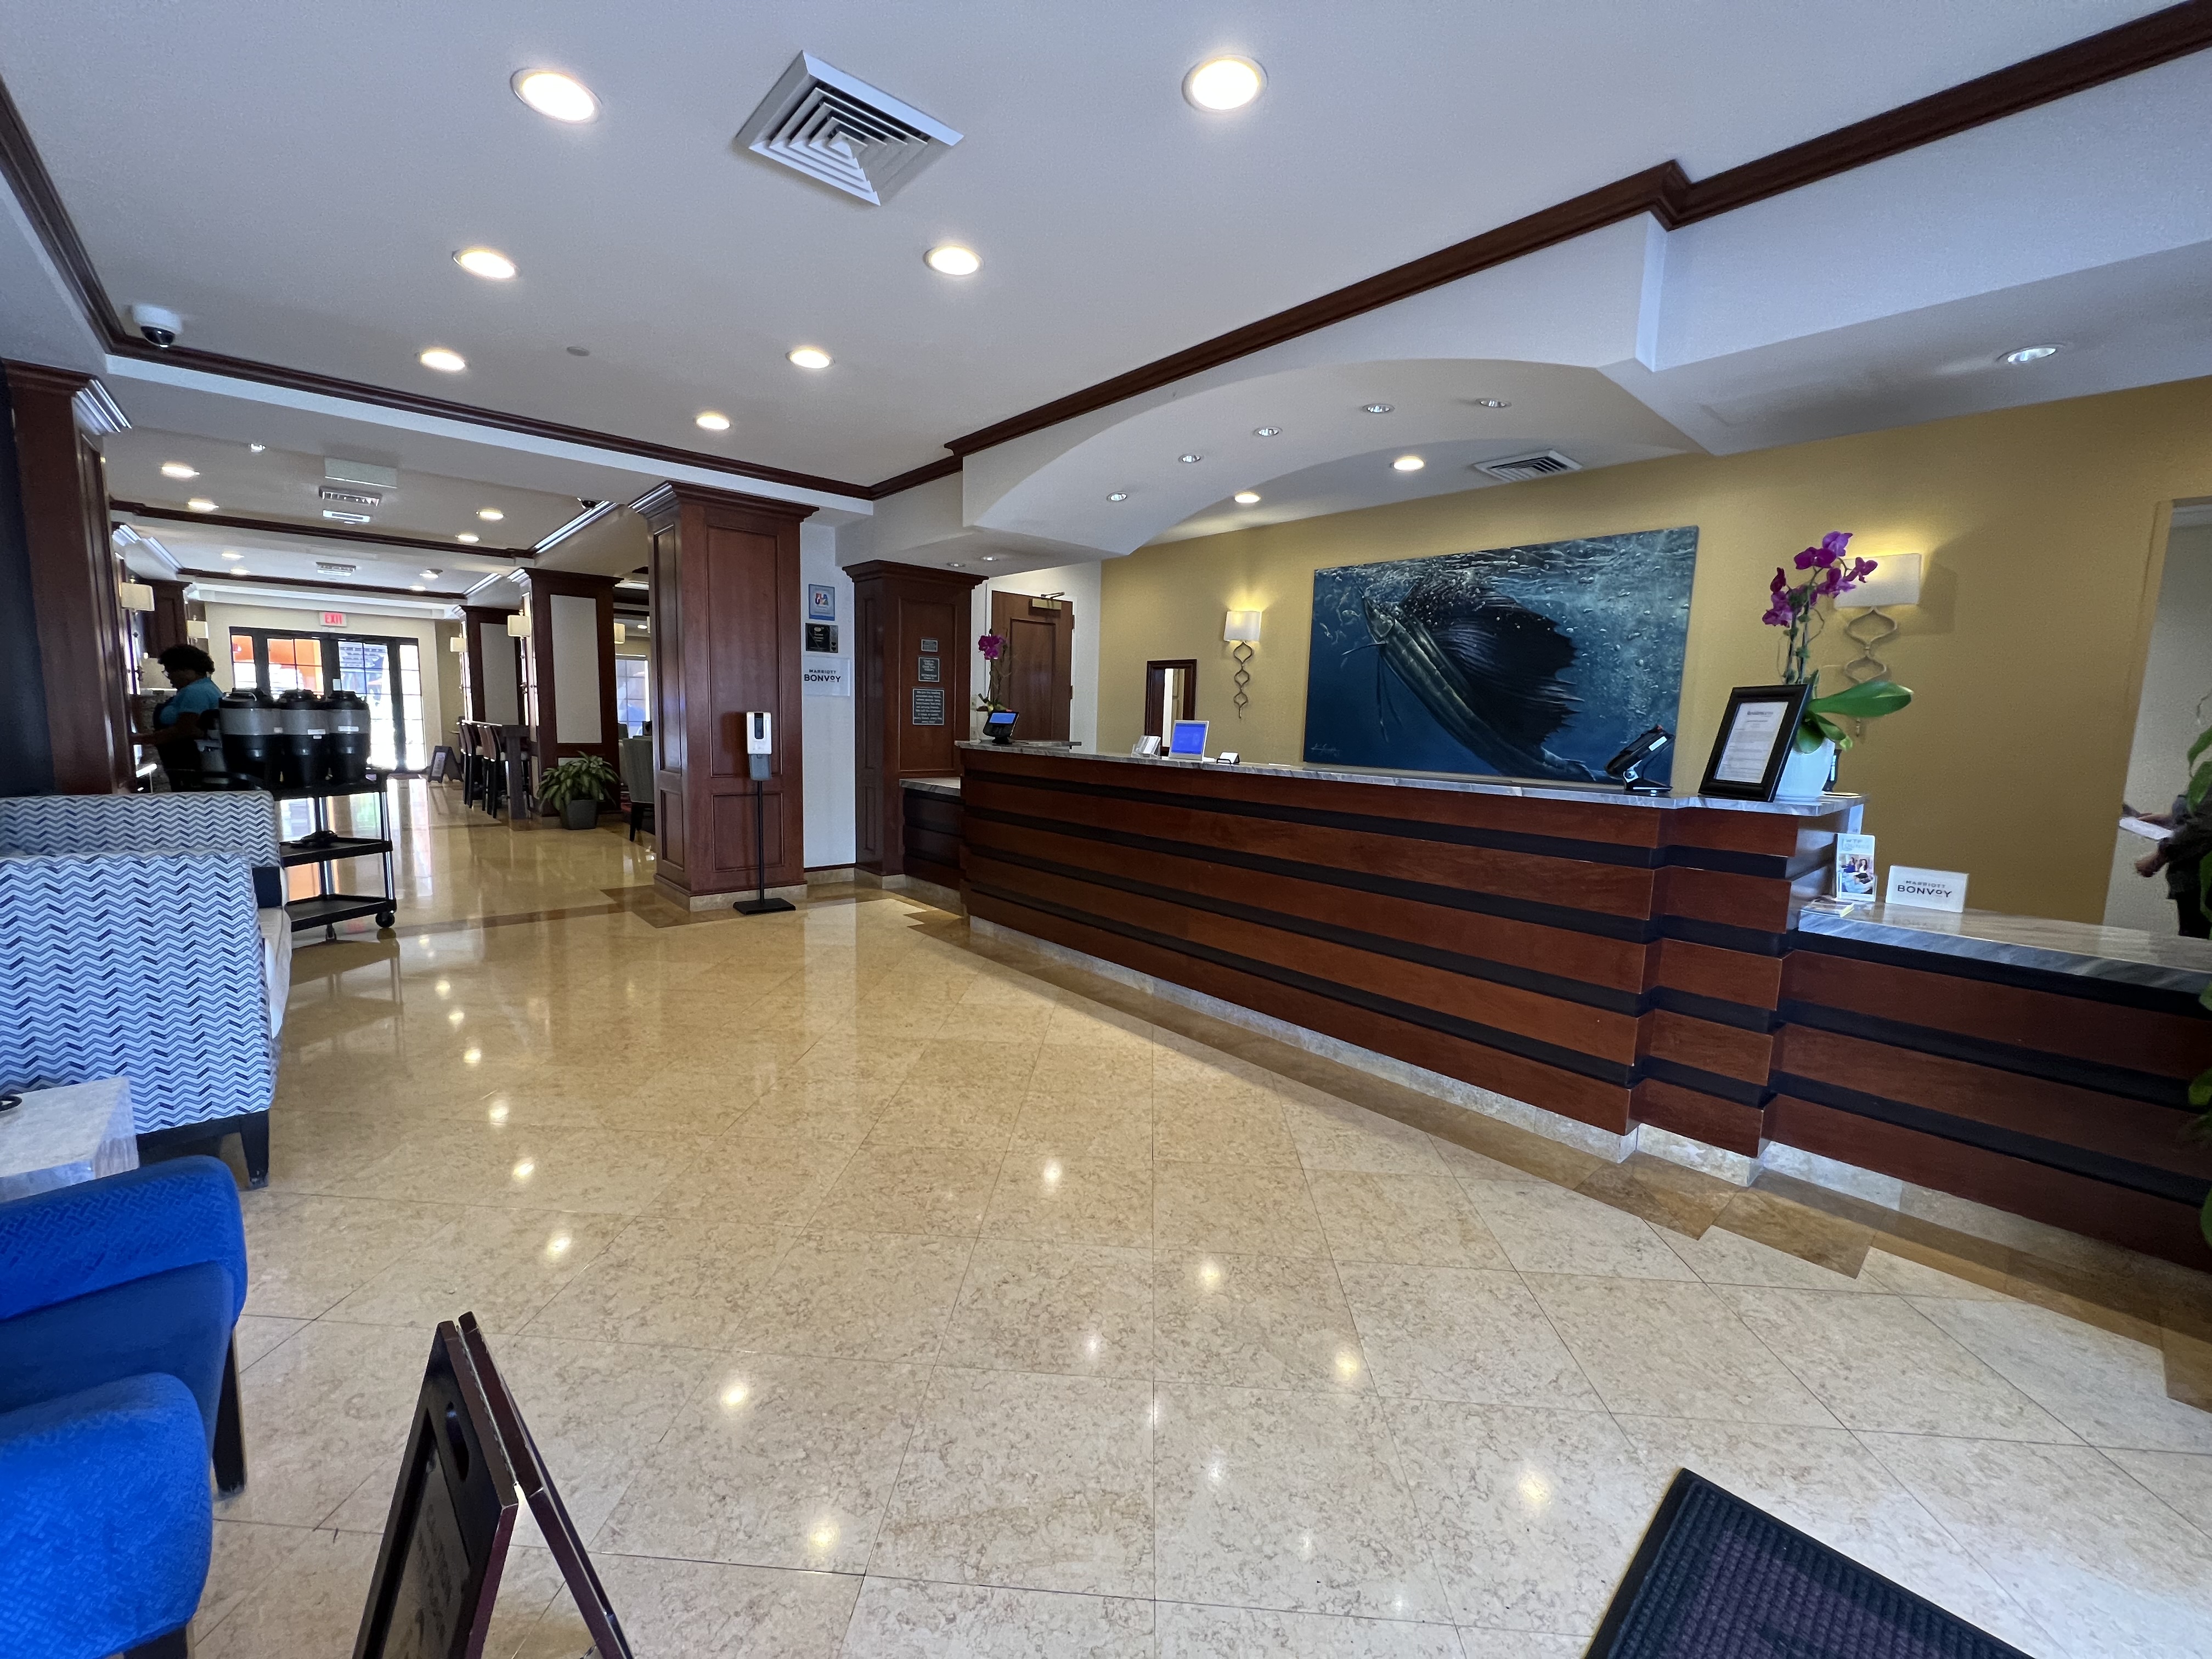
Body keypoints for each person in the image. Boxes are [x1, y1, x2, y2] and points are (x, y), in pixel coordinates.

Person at [133, 644, 223, 787]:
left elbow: (185, 730)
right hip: (192, 768)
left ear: (186, 670)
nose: (169, 679)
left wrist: (140, 739)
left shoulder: (195, 692)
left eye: (170, 672)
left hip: (192, 768)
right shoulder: (205, 687)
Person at [2134, 791, 2212, 939]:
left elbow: (2204, 827)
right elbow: (2202, 809)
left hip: (2202, 883)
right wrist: (2172, 820)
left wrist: (2160, 857)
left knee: (2196, 950)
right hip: (2189, 879)